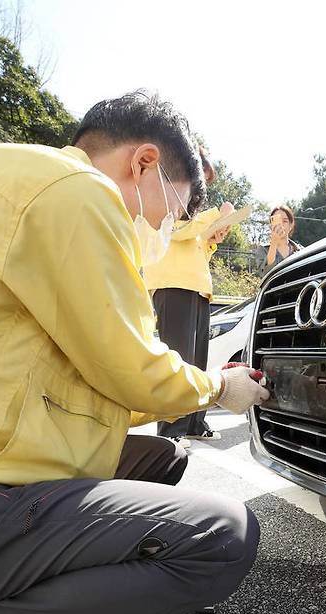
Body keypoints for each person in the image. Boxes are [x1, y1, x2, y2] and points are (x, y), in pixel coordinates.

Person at [0, 91, 269, 614]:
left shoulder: (6, 174)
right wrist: (220, 390)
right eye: (179, 205)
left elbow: (90, 383)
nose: (170, 225)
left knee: (161, 456)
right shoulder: (78, 193)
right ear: (144, 163)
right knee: (224, 538)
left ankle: (36, 593)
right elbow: (128, 363)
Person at [144, 150, 232, 444]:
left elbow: (194, 245)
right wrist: (211, 219)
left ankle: (195, 422)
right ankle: (171, 430)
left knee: (197, 360)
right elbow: (177, 232)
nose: (202, 186)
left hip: (197, 286)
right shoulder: (171, 197)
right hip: (172, 284)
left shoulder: (195, 211)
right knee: (178, 358)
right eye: (201, 177)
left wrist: (211, 239)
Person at [256, 205, 302, 275]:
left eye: (285, 221)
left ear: (291, 225)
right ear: (271, 224)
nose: (281, 225)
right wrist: (274, 242)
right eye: (277, 221)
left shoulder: (300, 250)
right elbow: (265, 274)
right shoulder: (263, 249)